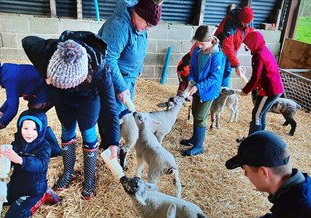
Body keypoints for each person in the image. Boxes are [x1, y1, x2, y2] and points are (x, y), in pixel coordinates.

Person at [21, 30, 120, 200]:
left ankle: (89, 179)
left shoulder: (100, 70)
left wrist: (113, 141)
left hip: (88, 99)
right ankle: (68, 172)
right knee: (67, 129)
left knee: (88, 132)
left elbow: (110, 108)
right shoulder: (47, 50)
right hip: (61, 97)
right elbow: (26, 40)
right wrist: (45, 74)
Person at [97, 0, 163, 148]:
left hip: (128, 78)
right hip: (113, 79)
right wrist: (120, 86)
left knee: (123, 113)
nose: (148, 29)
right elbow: (108, 58)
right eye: (147, 24)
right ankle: (109, 146)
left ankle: (115, 142)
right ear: (138, 14)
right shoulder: (119, 26)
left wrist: (138, 68)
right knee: (111, 115)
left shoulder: (139, 27)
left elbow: (139, 50)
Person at [225, 130, 311, 217]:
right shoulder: (302, 192)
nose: (246, 175)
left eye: (246, 171)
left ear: (263, 172)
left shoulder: (301, 210)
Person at [0, 110, 60, 217]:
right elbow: (5, 167)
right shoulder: (16, 144)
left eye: (34, 129)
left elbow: (41, 164)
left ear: (41, 130)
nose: (29, 133)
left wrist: (21, 160)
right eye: (25, 128)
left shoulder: (45, 147)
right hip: (15, 185)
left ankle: (40, 198)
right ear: (20, 128)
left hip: (33, 190)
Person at [0, 56, 53, 133]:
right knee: (33, 117)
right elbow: (12, 98)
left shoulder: (9, 79)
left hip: (44, 92)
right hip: (40, 89)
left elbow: (12, 109)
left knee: (32, 118)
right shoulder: (7, 71)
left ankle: (38, 140)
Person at [179, 25, 225, 156]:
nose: (199, 46)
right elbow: (192, 67)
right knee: (194, 112)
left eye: (202, 43)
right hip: (196, 86)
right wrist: (191, 80)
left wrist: (198, 86)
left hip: (208, 90)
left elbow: (215, 77)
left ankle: (199, 146)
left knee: (200, 116)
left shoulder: (217, 55)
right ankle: (194, 139)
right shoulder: (197, 51)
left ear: (211, 39)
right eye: (197, 43)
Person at [239, 31, 283, 135]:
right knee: (261, 114)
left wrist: (246, 90)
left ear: (253, 44)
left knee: (257, 114)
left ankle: (253, 140)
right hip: (270, 88)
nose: (246, 48)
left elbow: (255, 76)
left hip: (270, 90)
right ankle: (260, 138)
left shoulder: (259, 56)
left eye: (247, 45)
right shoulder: (263, 50)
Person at [214, 6, 255, 87]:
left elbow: (250, 32)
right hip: (221, 48)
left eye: (248, 23)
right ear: (240, 18)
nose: (246, 24)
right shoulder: (229, 23)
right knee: (218, 71)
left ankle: (224, 92)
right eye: (245, 22)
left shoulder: (248, 22)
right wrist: (236, 65)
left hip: (233, 50)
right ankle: (216, 93)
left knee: (228, 71)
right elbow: (227, 46)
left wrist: (248, 43)